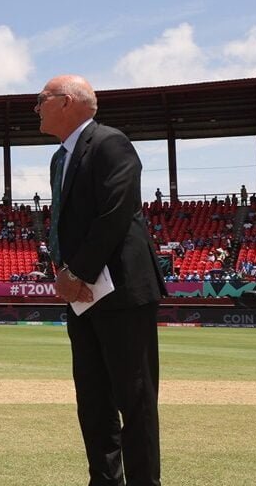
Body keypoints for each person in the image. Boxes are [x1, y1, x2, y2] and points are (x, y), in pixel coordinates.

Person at [37, 75, 167, 486]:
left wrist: (76, 273)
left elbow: (115, 212)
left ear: (67, 102)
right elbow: (63, 222)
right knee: (92, 399)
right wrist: (65, 274)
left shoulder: (111, 142)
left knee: (136, 399)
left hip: (122, 290)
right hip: (82, 295)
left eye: (41, 100)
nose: (36, 108)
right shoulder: (60, 158)